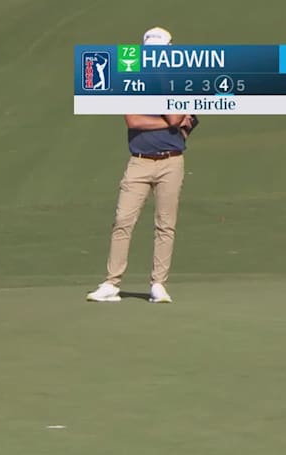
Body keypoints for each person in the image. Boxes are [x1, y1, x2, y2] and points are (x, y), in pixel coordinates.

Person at [86, 27, 195, 304]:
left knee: (165, 224)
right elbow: (136, 121)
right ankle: (112, 283)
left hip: (171, 162)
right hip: (139, 162)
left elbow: (179, 117)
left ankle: (158, 284)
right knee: (123, 220)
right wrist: (170, 123)